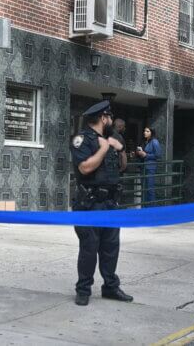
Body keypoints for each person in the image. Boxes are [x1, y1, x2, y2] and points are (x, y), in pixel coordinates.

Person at [70, 101, 133, 306]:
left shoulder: (111, 139)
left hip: (110, 203)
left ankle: (110, 287)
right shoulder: (83, 139)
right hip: (90, 204)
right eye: (110, 118)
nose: (112, 122)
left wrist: (120, 149)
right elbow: (85, 168)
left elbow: (123, 168)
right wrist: (104, 149)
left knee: (111, 247)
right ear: (103, 118)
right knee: (89, 249)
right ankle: (83, 290)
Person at [135, 126, 162, 203]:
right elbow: (142, 153)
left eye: (147, 131)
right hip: (143, 166)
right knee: (144, 188)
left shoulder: (154, 141)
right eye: (144, 131)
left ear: (151, 133)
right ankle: (144, 207)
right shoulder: (145, 141)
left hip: (150, 167)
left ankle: (151, 207)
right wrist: (138, 152)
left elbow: (158, 155)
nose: (145, 132)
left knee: (150, 188)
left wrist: (146, 155)